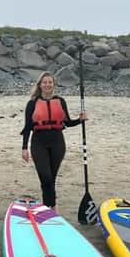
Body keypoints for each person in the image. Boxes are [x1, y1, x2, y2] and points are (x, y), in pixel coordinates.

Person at [20, 71, 86, 212]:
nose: (47, 85)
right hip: (39, 143)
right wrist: (24, 148)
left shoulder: (60, 101)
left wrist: (80, 120)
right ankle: (51, 207)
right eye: (45, 82)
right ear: (40, 85)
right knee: (46, 177)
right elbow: (27, 127)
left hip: (57, 143)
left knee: (51, 179)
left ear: (53, 84)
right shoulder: (32, 103)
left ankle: (50, 207)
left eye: (50, 82)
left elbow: (67, 122)